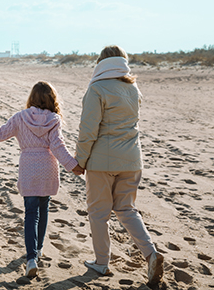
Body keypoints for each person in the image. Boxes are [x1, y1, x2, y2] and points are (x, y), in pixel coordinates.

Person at [0, 81, 84, 277]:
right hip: (47, 167)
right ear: (52, 100)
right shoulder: (54, 119)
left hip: (28, 167)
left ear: (32, 98)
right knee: (43, 208)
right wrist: (73, 166)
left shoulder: (20, 117)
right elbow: (58, 146)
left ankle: (31, 259)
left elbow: (0, 134)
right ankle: (39, 249)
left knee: (31, 213)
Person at [75, 45, 164, 285]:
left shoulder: (96, 88)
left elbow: (88, 129)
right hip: (132, 160)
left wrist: (80, 160)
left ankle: (102, 262)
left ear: (100, 63)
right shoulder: (134, 89)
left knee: (98, 213)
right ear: (123, 63)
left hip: (102, 161)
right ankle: (151, 253)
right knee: (126, 209)